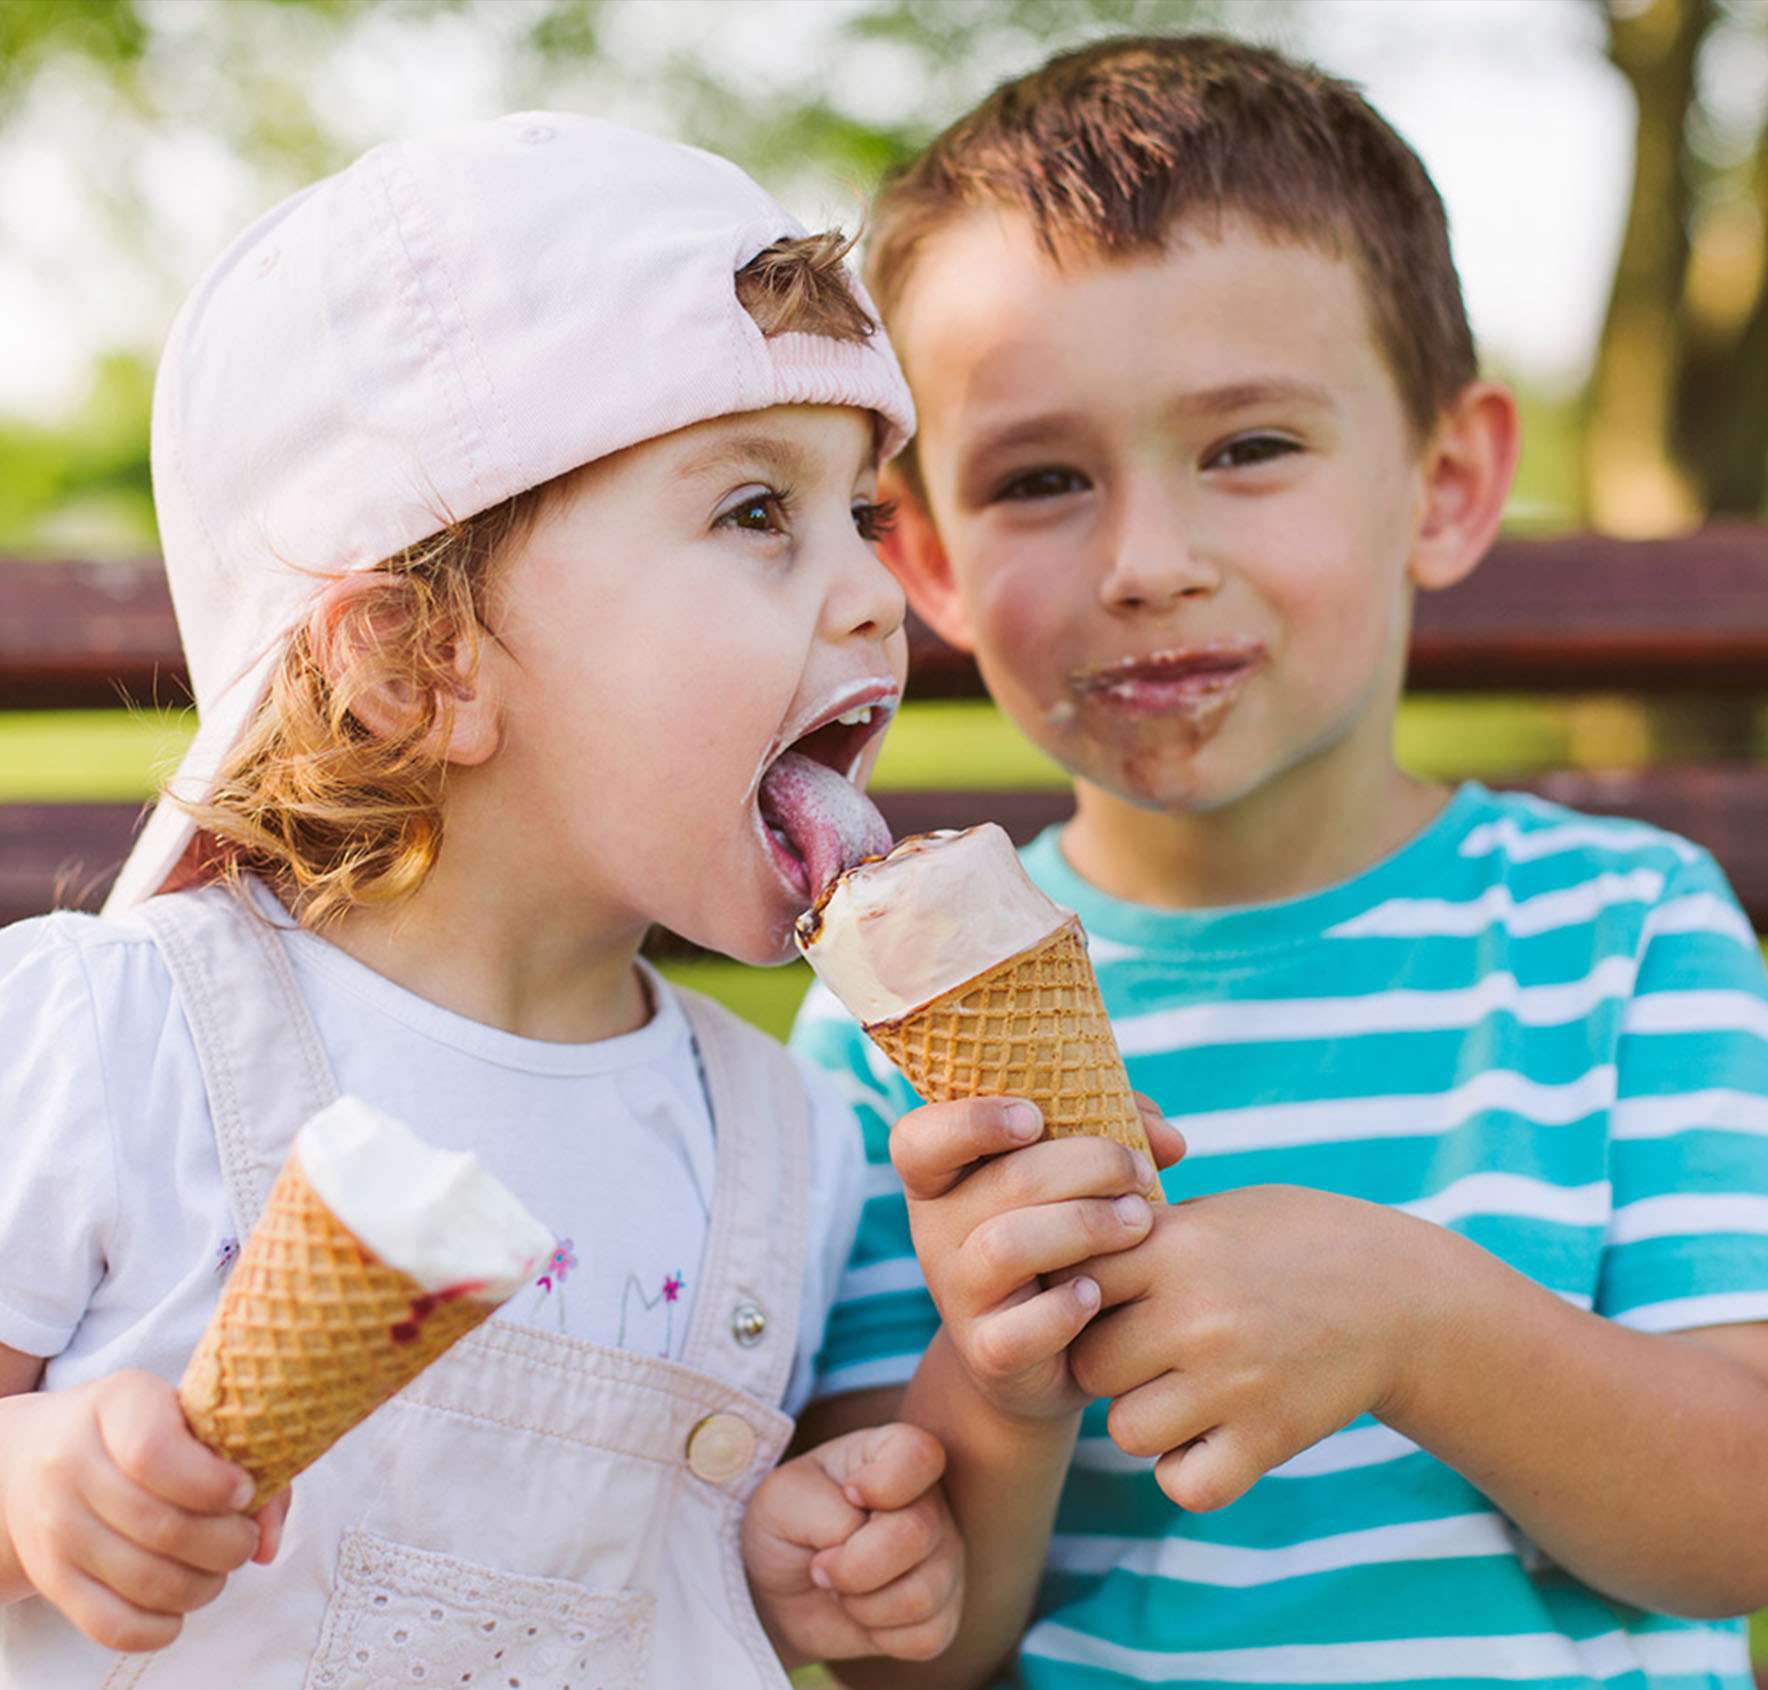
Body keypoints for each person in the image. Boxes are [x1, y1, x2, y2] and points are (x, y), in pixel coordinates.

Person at [789, 34, 1768, 1690]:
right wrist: (1001, 1382)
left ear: (1444, 485)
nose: (1148, 562)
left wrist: (1418, 1319)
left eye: (1247, 448)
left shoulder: (1624, 940)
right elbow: (903, 1659)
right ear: (932, 559)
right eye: (1041, 480)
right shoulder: (893, 1035)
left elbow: (1739, 1515)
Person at [0, 112, 966, 1685]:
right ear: (415, 660)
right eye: (754, 513)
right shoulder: (114, 1045)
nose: (876, 590)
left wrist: (804, 1563)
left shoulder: (789, 1146)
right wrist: (35, 1479)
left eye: (860, 511)